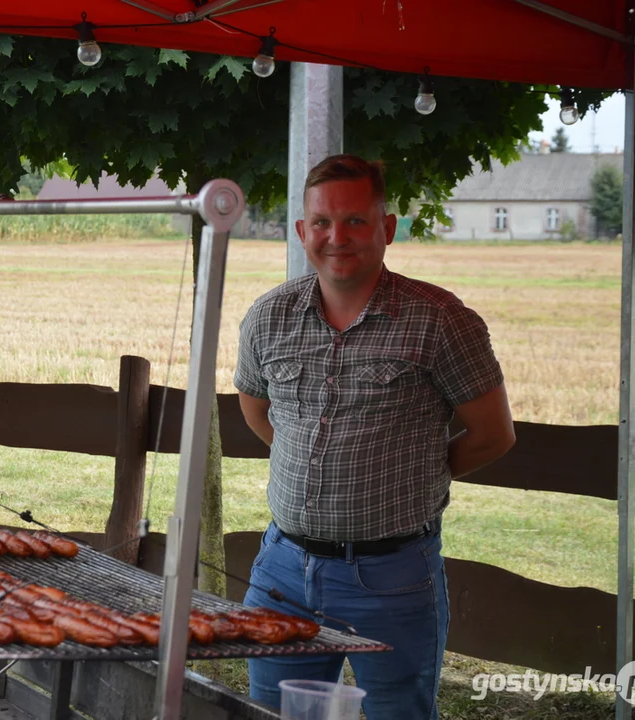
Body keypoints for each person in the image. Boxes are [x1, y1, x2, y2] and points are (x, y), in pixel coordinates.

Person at [233, 154, 516, 719]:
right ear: (302, 231)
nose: (337, 237)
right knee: (272, 714)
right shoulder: (268, 317)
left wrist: (416, 475)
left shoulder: (441, 321)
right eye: (322, 222)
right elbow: (260, 416)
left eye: (356, 221)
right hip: (283, 571)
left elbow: (493, 435)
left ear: (386, 228)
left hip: (392, 578)